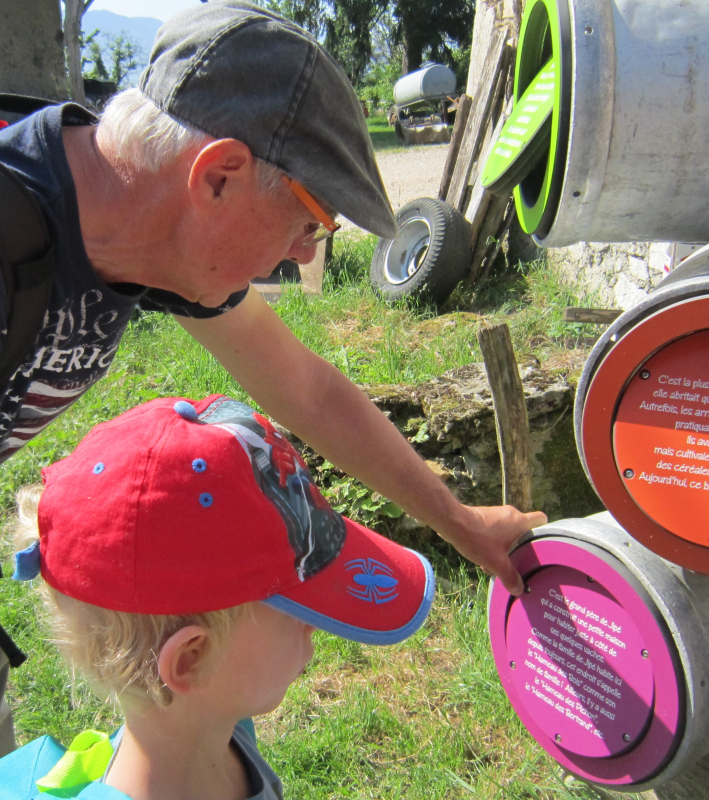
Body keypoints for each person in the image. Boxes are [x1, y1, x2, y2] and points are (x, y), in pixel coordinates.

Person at [0, 0, 546, 749]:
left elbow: (309, 390)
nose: (302, 253)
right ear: (218, 175)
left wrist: (459, 522)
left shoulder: (148, 238)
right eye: (311, 219)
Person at [0, 394, 435, 800]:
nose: (316, 623)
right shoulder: (223, 719)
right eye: (296, 609)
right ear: (190, 658)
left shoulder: (225, 725)